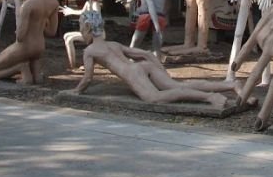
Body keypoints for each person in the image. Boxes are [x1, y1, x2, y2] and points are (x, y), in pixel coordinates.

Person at [66, 8, 242, 108]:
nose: (81, 30)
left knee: (155, 98)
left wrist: (76, 91)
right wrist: (160, 70)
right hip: (143, 66)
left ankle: (210, 97)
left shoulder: (90, 50)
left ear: (88, 27)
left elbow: (87, 78)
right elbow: (146, 54)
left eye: (81, 26)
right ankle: (230, 85)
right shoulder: (113, 44)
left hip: (133, 72)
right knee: (178, 85)